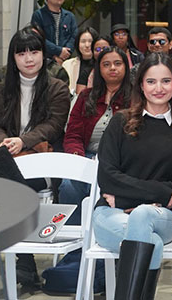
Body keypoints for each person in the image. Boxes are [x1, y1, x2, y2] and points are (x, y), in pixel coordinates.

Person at [93, 52, 172, 300]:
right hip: (109, 215)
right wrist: (159, 192)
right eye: (151, 81)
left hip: (163, 218)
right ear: (140, 84)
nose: (158, 88)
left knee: (142, 215)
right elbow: (107, 177)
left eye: (166, 81)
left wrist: (128, 197)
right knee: (152, 244)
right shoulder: (120, 123)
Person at [0, 26, 71, 288]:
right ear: (13, 58)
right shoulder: (1, 90)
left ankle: (24, 260)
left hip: (40, 159)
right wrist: (4, 143)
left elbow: (54, 126)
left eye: (34, 51)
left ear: (43, 55)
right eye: (22, 53)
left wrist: (23, 141)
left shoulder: (57, 88)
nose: (29, 58)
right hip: (7, 157)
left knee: (6, 185)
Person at [61, 47, 131, 223]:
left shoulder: (137, 98)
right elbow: (72, 135)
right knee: (69, 185)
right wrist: (79, 158)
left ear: (126, 67)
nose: (112, 68)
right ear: (99, 69)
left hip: (120, 163)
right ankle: (75, 246)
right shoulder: (86, 96)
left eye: (117, 63)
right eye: (106, 64)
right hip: (87, 157)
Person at [30, 0, 78, 65]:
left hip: (66, 61)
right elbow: (37, 37)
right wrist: (58, 52)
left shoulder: (70, 16)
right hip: (44, 60)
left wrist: (65, 53)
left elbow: (74, 36)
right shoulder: (38, 15)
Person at [62, 26, 98, 96]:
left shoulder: (101, 65)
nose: (87, 45)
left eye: (90, 41)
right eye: (83, 41)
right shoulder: (67, 64)